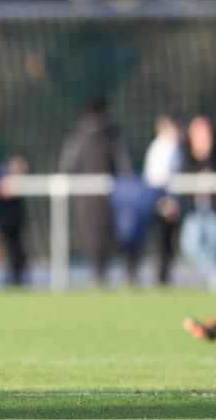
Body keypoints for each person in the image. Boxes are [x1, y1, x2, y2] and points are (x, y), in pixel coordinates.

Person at [59, 98, 134, 286]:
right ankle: (108, 275)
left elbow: (68, 166)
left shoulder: (87, 136)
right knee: (103, 238)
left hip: (101, 198)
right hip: (101, 198)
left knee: (108, 237)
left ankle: (120, 275)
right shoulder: (105, 136)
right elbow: (124, 165)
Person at [142, 115, 183, 285]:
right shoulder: (163, 148)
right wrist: (166, 203)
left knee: (167, 241)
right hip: (163, 202)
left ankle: (164, 276)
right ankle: (161, 277)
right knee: (163, 240)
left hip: (167, 201)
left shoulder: (172, 147)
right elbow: (158, 178)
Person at [0, 154, 30, 286]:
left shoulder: (18, 179)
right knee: (13, 253)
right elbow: (1, 191)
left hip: (16, 222)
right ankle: (13, 282)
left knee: (18, 254)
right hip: (5, 221)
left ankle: (17, 282)